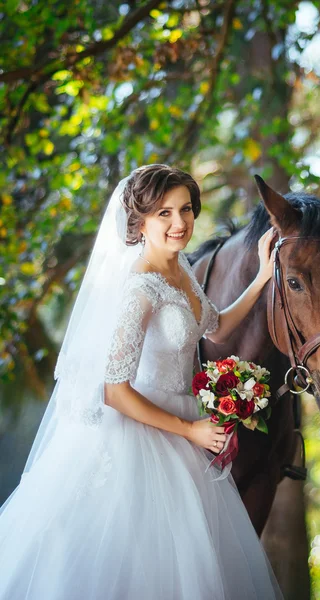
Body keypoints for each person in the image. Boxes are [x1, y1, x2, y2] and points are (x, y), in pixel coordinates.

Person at [0, 164, 282, 600]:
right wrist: (190, 430)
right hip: (142, 436)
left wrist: (264, 275)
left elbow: (217, 325)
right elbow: (114, 391)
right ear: (140, 222)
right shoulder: (140, 289)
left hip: (186, 429)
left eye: (186, 210)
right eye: (164, 213)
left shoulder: (181, 270)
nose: (180, 223)